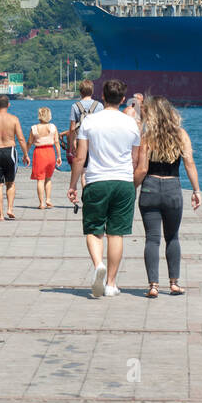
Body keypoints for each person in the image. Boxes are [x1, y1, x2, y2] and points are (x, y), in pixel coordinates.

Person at [67, 79, 141, 298]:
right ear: (122, 99)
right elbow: (135, 160)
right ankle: (110, 283)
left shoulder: (90, 122)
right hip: (123, 182)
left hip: (97, 180)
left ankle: (98, 264)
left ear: (103, 96)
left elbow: (80, 157)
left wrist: (73, 185)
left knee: (93, 230)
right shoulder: (132, 124)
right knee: (116, 234)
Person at [133, 97, 201, 298]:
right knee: (172, 237)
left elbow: (142, 169)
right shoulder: (181, 135)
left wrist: (132, 188)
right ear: (172, 113)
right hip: (172, 188)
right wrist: (196, 191)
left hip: (150, 188)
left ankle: (153, 286)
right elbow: (189, 164)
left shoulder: (147, 136)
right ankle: (173, 284)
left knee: (152, 240)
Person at [26, 107, 62, 209]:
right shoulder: (53, 127)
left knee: (40, 179)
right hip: (50, 152)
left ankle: (41, 203)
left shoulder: (34, 128)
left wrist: (26, 153)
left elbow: (29, 142)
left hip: (39, 153)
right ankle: (48, 199)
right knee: (48, 178)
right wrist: (59, 156)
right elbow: (57, 142)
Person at [66, 80, 103, 159]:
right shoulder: (99, 106)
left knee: (81, 164)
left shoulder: (75, 106)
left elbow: (72, 129)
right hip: (95, 140)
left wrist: (72, 143)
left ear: (80, 92)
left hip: (81, 140)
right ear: (92, 91)